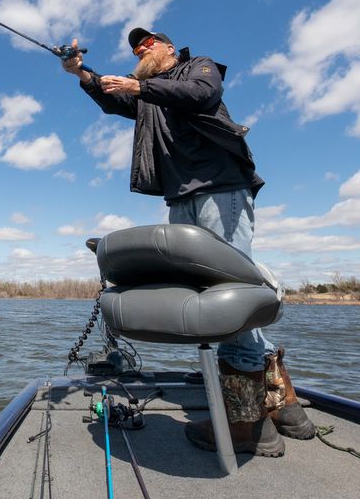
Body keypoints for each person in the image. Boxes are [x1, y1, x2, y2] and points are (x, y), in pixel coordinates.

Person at [62, 27, 315, 455]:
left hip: (220, 188)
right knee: (211, 293)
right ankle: (286, 407)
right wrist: (82, 73)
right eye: (135, 49)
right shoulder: (148, 96)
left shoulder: (197, 67)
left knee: (231, 292)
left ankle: (245, 426)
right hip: (180, 197)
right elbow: (113, 98)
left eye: (147, 44)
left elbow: (201, 94)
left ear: (169, 48)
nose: (140, 50)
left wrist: (140, 87)